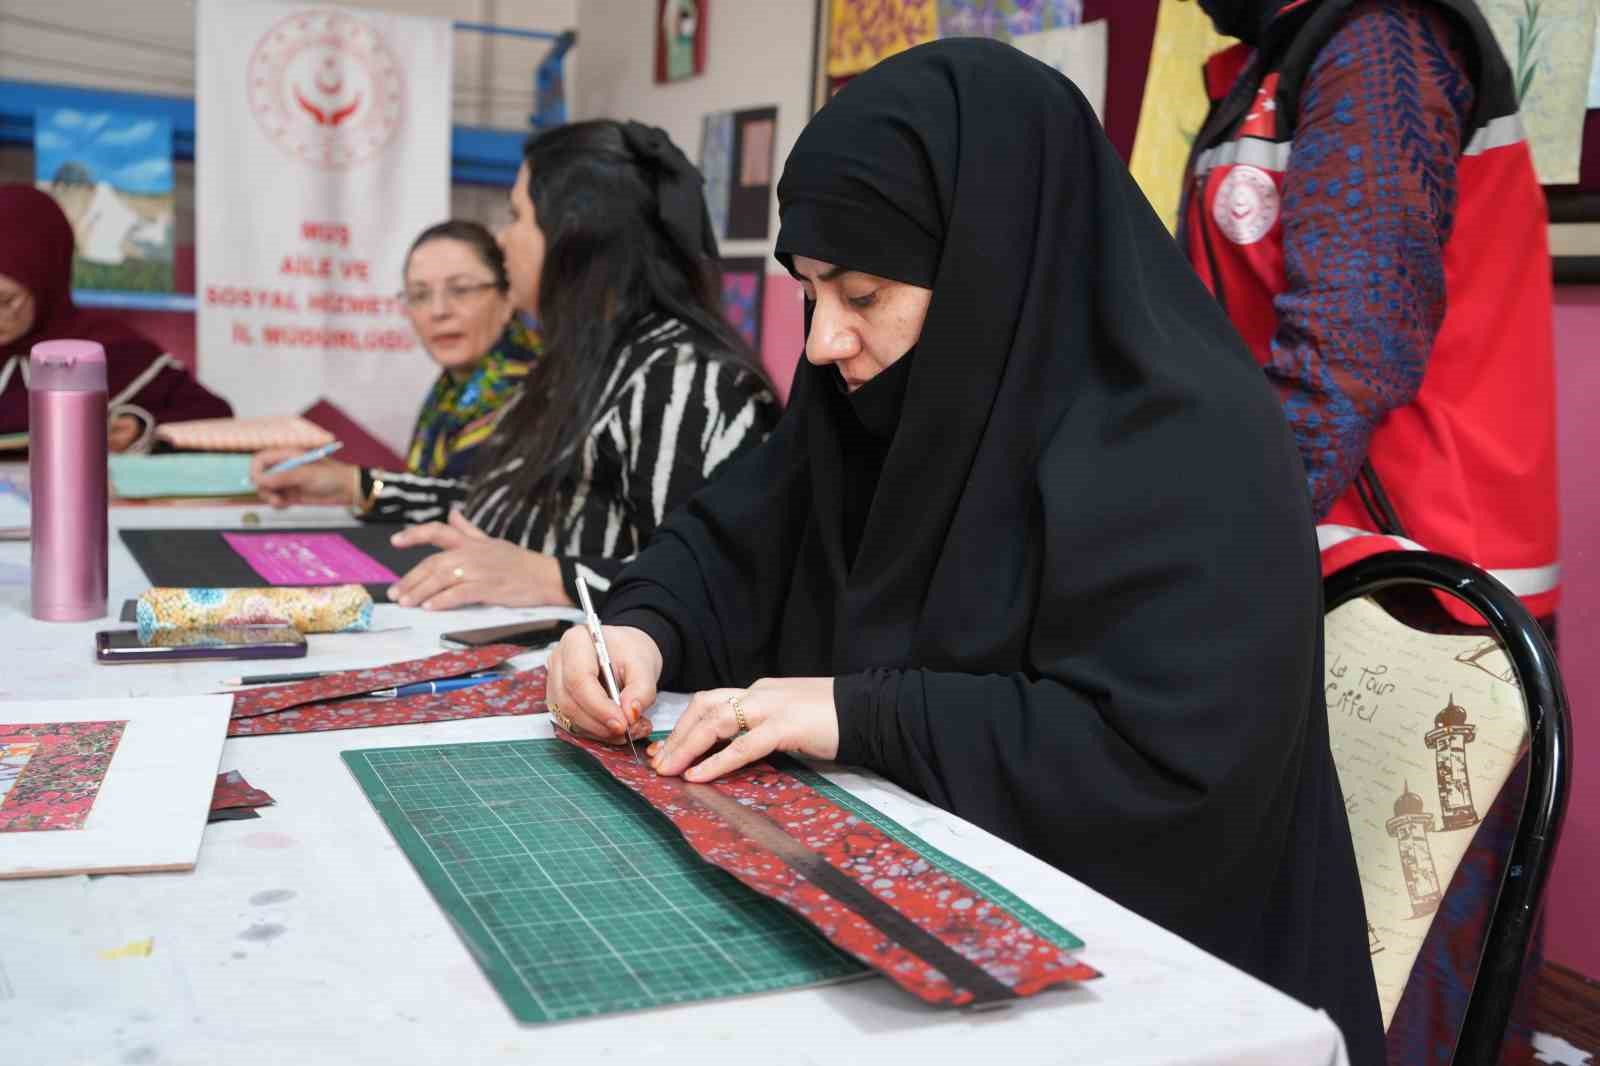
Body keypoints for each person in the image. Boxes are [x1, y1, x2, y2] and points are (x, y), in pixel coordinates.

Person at [547, 39, 1384, 1062]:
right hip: (918, 903)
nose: (820, 343)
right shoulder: (872, 398)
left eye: (861, 296)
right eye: (809, 293)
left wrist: (860, 710)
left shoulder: (1187, 439)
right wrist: (639, 628)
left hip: (1163, 971)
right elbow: (732, 541)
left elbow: (1161, 767)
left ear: (987, 266)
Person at [1180, 3, 1555, 1061]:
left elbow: (1349, 352)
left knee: (1393, 1002)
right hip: (1335, 565)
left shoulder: (1378, 45)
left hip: (1428, 601)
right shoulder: (1280, 57)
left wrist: (1187, 557)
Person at [253, 121, 778, 611]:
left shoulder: (683, 379)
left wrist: (549, 577)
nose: (502, 240)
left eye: (517, 217)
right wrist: (356, 486)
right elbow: (514, 504)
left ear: (577, 234)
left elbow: (714, 583)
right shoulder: (591, 361)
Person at [255, 219, 540, 491]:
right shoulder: (450, 391)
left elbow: (464, 505)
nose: (439, 310)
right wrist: (342, 483)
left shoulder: (526, 389)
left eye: (461, 290)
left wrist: (354, 485)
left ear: (507, 297)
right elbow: (432, 493)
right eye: (419, 295)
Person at [0, 184, 232, 449]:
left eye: (5, 301)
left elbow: (214, 414)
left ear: (46, 283)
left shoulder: (108, 350)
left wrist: (140, 427)